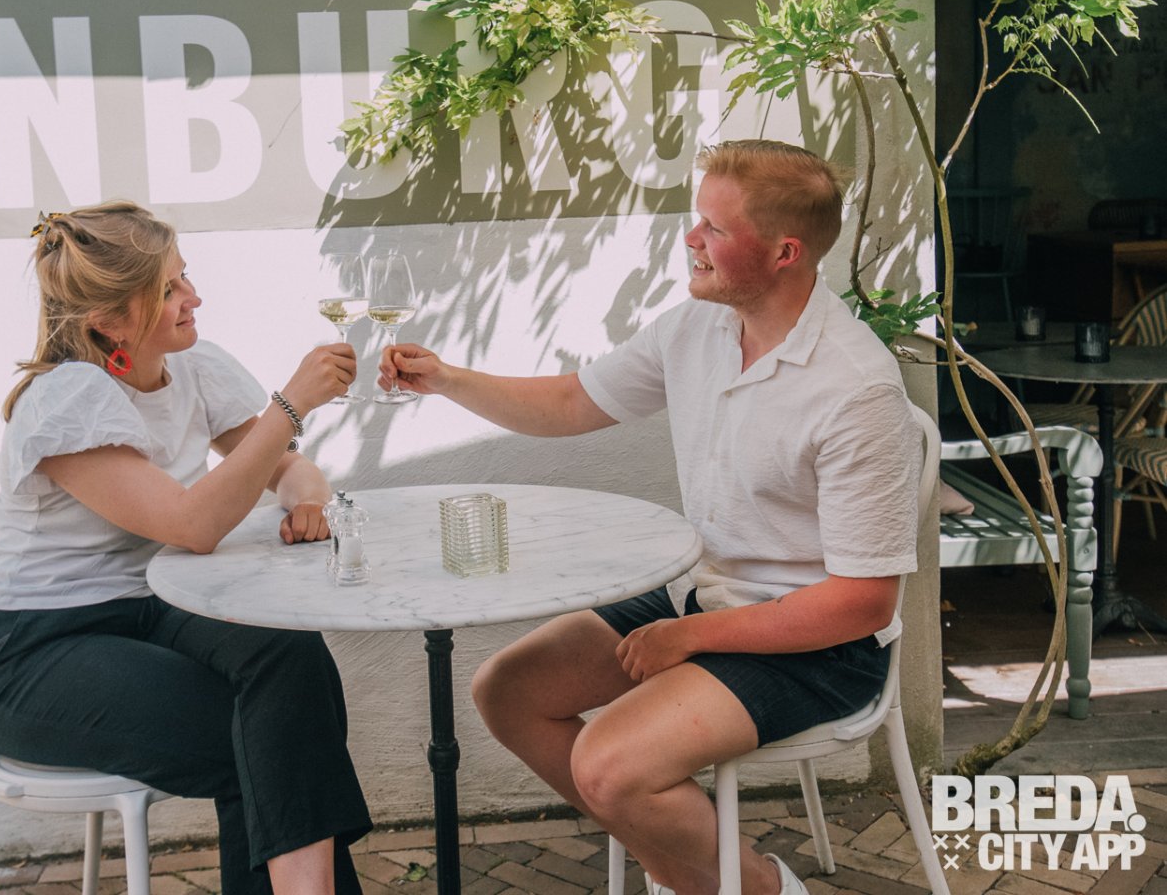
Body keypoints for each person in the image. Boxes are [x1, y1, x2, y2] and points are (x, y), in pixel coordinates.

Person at [377, 141, 921, 895]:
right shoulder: (699, 327)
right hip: (702, 597)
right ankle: (694, 875)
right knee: (508, 691)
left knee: (609, 764)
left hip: (818, 644)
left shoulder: (856, 389)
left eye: (714, 229)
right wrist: (446, 379)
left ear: (784, 252)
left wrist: (690, 636)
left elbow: (862, 603)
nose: (691, 239)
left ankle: (762, 889)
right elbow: (572, 402)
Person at [0, 202, 372, 895]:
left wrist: (307, 496)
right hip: (34, 652)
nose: (194, 297)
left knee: (289, 659)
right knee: (264, 738)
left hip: (151, 609)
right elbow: (193, 525)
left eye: (186, 276)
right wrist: (291, 405)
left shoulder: (194, 367)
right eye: (169, 289)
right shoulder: (67, 399)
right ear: (109, 320)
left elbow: (281, 465)